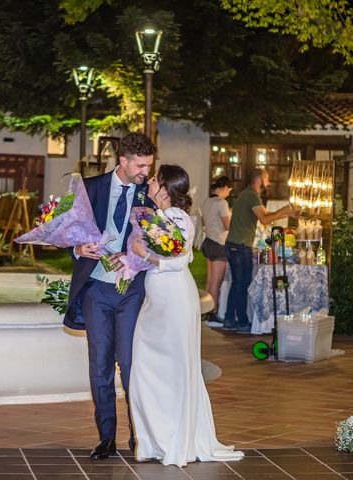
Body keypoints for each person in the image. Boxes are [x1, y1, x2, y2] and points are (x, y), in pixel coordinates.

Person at [129, 165, 244, 467]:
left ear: (165, 189)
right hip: (160, 301)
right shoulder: (162, 218)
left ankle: (172, 439)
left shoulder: (176, 218)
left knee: (172, 370)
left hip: (173, 301)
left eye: (154, 180)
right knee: (148, 367)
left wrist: (142, 254)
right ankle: (158, 438)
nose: (149, 182)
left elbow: (178, 261)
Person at [65, 132, 155, 460]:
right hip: (96, 290)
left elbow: (160, 243)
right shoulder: (90, 188)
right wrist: (78, 248)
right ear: (123, 161)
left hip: (132, 292)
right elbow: (70, 232)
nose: (146, 171)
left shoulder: (151, 194)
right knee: (100, 364)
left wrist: (133, 257)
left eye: (149, 164)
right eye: (141, 165)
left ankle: (139, 435)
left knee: (131, 365)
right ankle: (106, 436)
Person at [223, 168, 300, 334]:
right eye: (267, 179)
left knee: (237, 284)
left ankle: (229, 319)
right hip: (240, 246)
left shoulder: (247, 194)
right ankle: (242, 322)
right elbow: (265, 220)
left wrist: (285, 212)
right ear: (259, 180)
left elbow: (264, 216)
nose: (269, 182)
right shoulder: (251, 195)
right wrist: (285, 211)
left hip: (234, 245)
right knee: (242, 285)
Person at [200, 176, 232, 327]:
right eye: (229, 190)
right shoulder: (222, 203)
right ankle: (213, 315)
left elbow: (204, 222)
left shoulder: (207, 201)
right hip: (219, 243)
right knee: (216, 282)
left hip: (208, 242)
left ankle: (206, 313)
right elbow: (228, 226)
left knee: (209, 280)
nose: (228, 193)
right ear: (224, 187)